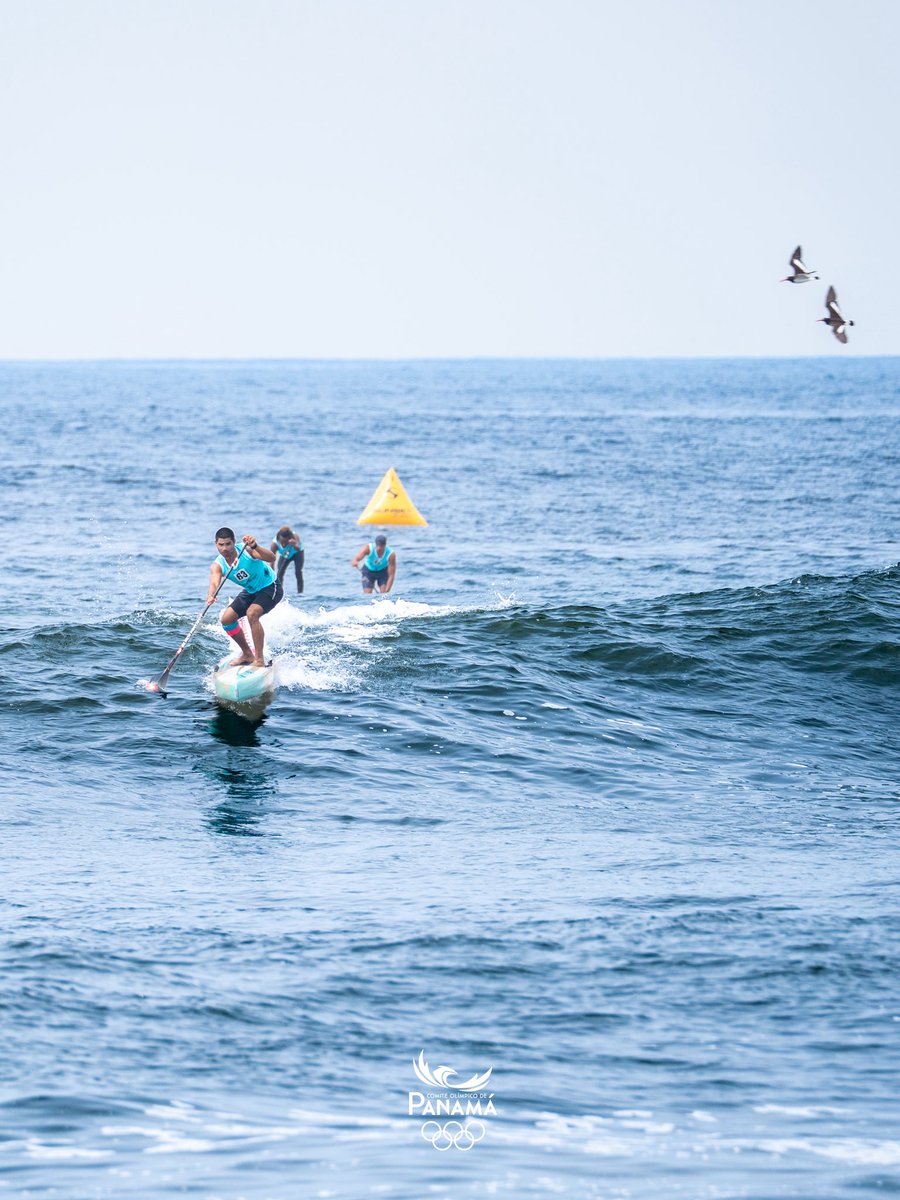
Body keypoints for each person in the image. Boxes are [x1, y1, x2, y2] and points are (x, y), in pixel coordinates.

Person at [207, 527, 282, 668]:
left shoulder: (245, 550)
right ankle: (247, 654)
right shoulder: (218, 565)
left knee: (252, 614)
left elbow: (272, 558)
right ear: (216, 544)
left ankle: (259, 660)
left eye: (228, 544)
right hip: (251, 591)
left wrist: (255, 546)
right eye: (221, 545)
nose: (225, 548)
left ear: (234, 542)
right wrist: (211, 594)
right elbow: (215, 581)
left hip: (270, 587)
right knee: (227, 620)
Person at [270, 525, 305, 594]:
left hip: (297, 553)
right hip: (285, 555)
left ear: (289, 539)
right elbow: (271, 559)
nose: (283, 544)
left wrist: (294, 544)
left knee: (298, 572)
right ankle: (279, 593)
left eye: (285, 542)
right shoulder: (275, 544)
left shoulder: (295, 537)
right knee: (279, 573)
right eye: (281, 542)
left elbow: (298, 548)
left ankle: (300, 593)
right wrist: (272, 571)